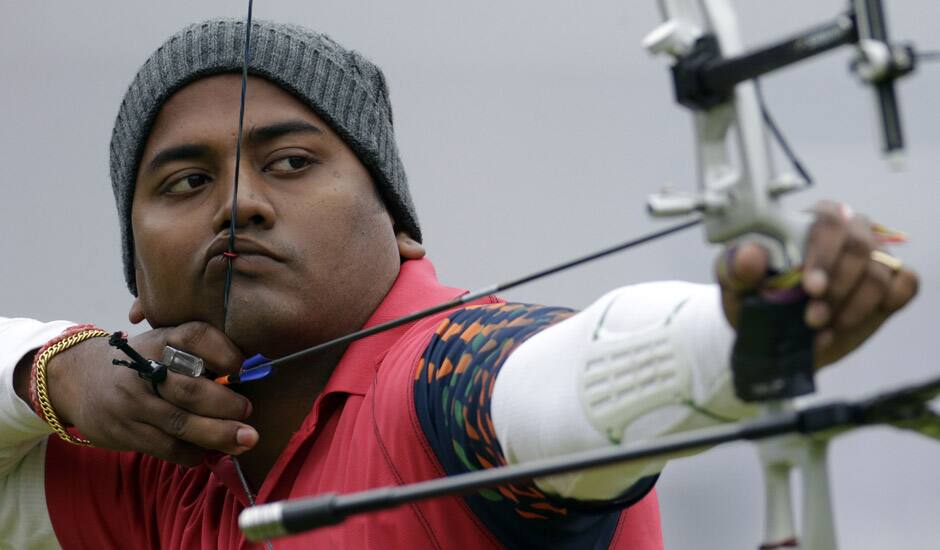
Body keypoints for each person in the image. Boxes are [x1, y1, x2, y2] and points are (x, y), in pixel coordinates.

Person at [0, 18, 918, 550]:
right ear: (137, 284)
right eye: (185, 182)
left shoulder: (439, 379)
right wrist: (57, 370)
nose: (238, 204)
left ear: (399, 226)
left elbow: (554, 383)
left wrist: (729, 340)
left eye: (288, 162)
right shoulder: (160, 469)